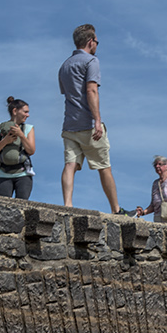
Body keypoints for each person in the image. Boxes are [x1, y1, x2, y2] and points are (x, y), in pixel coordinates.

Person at [58, 24, 120, 213]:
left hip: (69, 124)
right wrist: (97, 120)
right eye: (96, 42)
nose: (96, 45)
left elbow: (67, 94)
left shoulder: (64, 66)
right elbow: (91, 90)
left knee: (70, 164)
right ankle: (116, 209)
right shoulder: (91, 61)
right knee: (104, 166)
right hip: (87, 123)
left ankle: (68, 204)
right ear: (90, 41)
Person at [0, 97, 35, 199]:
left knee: (22, 206)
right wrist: (5, 141)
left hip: (23, 174)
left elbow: (31, 151)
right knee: (4, 207)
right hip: (4, 175)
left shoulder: (28, 128)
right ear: (15, 111)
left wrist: (21, 135)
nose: (28, 115)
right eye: (25, 112)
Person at [133, 157, 167, 222]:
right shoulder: (155, 183)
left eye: (160, 164)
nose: (157, 166)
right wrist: (143, 212)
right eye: (155, 165)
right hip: (158, 218)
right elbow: (153, 205)